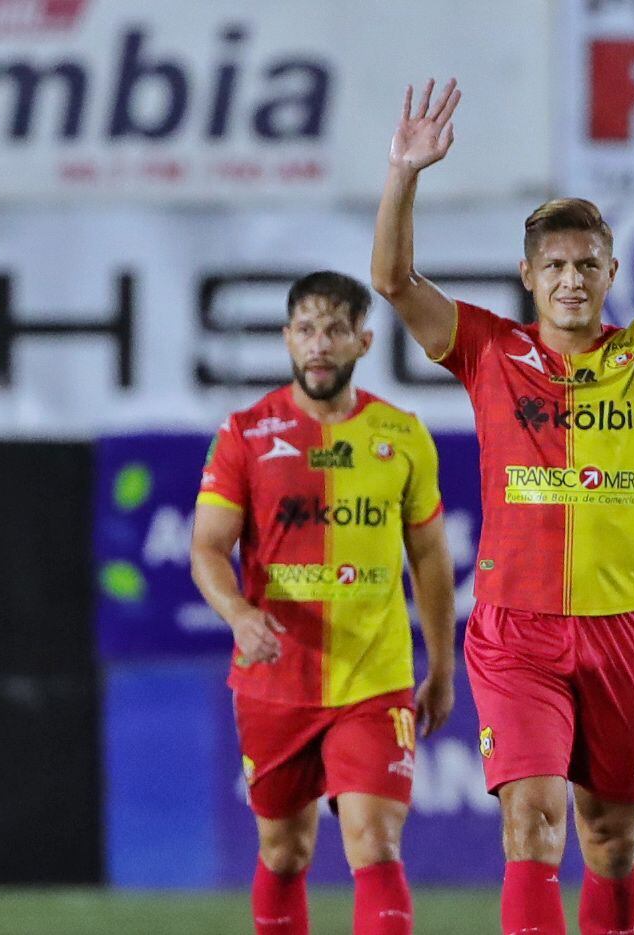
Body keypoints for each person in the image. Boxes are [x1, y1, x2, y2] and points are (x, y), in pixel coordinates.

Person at [371, 78, 634, 934]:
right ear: (527, 275)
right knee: (533, 824)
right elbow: (394, 279)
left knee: (611, 837)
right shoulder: (485, 349)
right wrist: (404, 172)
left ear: (611, 272)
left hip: (624, 625)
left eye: (586, 263)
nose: (569, 279)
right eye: (553, 264)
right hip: (516, 629)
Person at [190, 271, 457, 935]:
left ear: (364, 341)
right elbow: (206, 549)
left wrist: (444, 666)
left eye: (335, 329)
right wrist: (241, 614)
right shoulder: (246, 435)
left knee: (375, 840)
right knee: (286, 850)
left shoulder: (402, 435)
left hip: (375, 675)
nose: (319, 343)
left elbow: (428, 557)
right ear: (286, 339)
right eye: (306, 329)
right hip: (277, 681)